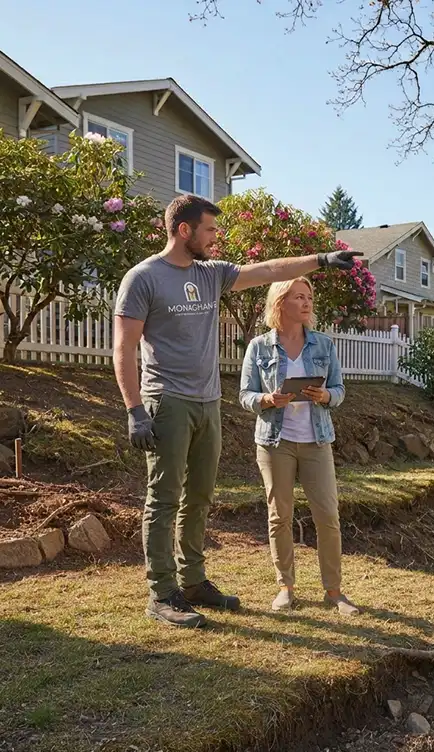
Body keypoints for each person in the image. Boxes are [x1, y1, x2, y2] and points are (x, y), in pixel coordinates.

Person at [112, 194, 361, 629]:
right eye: (209, 229)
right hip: (167, 401)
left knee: (199, 497)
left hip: (207, 403)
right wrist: (135, 409)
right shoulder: (143, 278)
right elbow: (123, 347)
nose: (215, 238)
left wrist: (320, 259)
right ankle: (162, 592)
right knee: (164, 498)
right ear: (184, 230)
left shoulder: (210, 275)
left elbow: (269, 270)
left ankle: (192, 582)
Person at [239, 277, 358, 615]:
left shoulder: (323, 344)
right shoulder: (259, 347)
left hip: (316, 441)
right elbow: (244, 395)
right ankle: (286, 589)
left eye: (309, 298)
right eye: (299, 297)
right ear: (280, 303)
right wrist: (267, 399)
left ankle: (334, 592)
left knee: (328, 517)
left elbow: (339, 390)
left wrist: (326, 395)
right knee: (280, 517)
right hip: (275, 443)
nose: (307, 303)